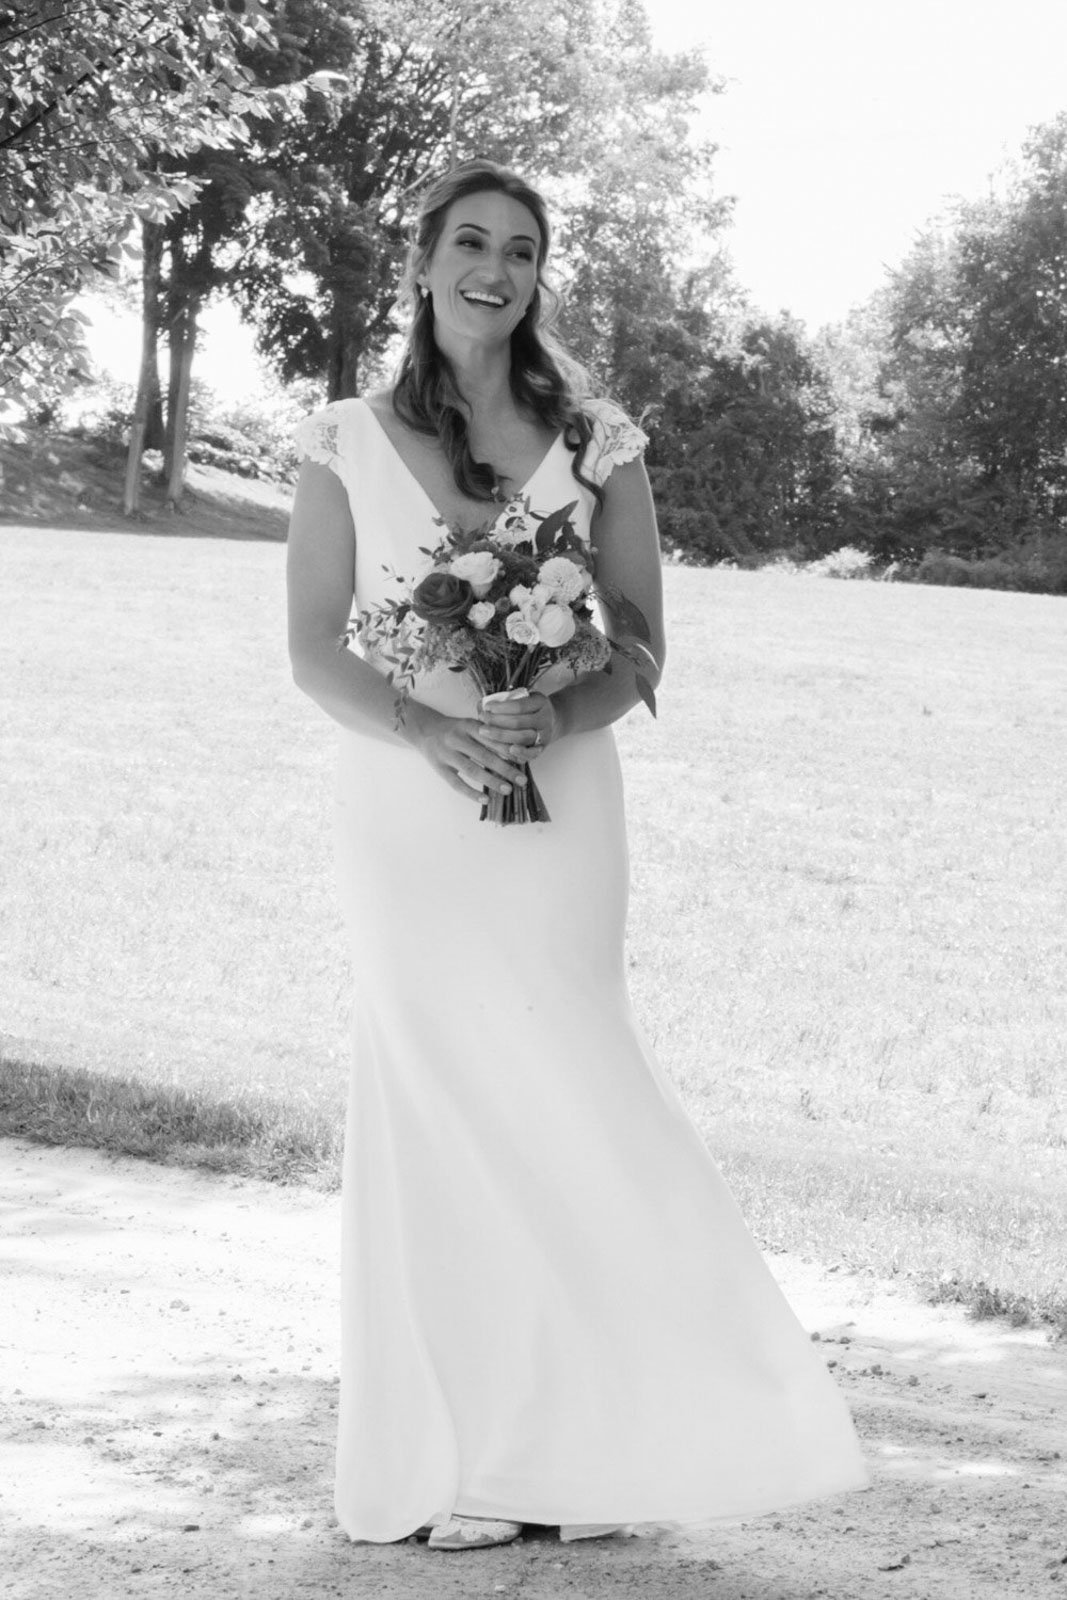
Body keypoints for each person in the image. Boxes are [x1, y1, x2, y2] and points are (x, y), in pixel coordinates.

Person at [286, 157, 869, 1554]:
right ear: (423, 260)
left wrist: (559, 704)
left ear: (541, 277)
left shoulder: (599, 436)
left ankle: (625, 1429)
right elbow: (314, 650)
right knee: (437, 1107)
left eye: (525, 250)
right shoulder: (343, 440)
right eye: (472, 242)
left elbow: (644, 644)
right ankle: (471, 1450)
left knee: (569, 1084)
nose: (497, 268)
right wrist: (429, 737)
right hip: (409, 811)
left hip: (562, 811)